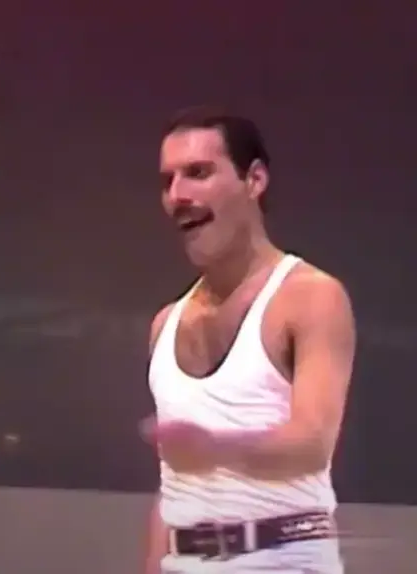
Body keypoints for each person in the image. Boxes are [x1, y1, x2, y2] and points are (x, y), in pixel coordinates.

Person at [141, 105, 356, 573]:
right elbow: (174, 486)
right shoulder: (165, 324)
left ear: (254, 180)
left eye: (198, 173)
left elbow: (311, 445)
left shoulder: (310, 297)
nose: (177, 195)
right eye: (167, 181)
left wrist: (216, 449)